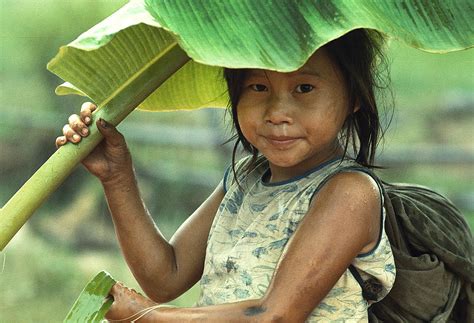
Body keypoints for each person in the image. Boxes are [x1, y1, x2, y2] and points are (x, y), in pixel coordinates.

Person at [56, 29, 396, 322]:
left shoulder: (349, 192)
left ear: (353, 96)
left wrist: (148, 316)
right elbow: (165, 276)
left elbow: (276, 315)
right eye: (259, 87)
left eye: (304, 88)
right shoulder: (244, 179)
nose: (277, 113)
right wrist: (117, 177)